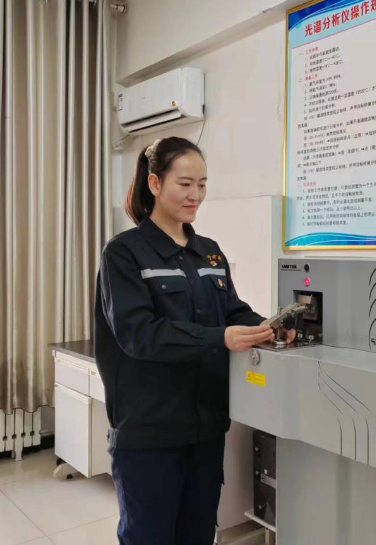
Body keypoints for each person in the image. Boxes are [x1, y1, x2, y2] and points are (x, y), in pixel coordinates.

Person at [94, 137, 295, 545]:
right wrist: (220, 338)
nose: (196, 195)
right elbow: (139, 335)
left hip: (205, 431)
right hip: (150, 434)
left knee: (199, 535)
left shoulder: (210, 254)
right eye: (185, 184)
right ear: (154, 183)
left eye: (202, 185)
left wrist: (267, 327)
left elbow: (232, 311)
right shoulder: (124, 254)